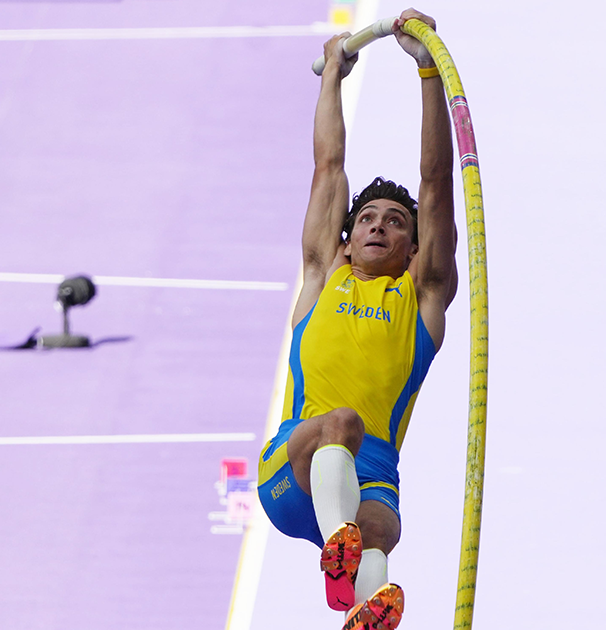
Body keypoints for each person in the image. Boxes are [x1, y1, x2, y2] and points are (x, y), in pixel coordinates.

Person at [255, 8, 457, 630]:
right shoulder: (324, 275)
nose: (377, 225)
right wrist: (331, 80)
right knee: (340, 423)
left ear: (415, 249)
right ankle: (340, 551)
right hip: (291, 469)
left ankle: (361, 612)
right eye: (367, 218)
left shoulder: (422, 300)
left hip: (373, 477)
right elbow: (328, 168)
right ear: (344, 241)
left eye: (396, 222)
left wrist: (428, 70)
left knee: (383, 529)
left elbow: (436, 181)